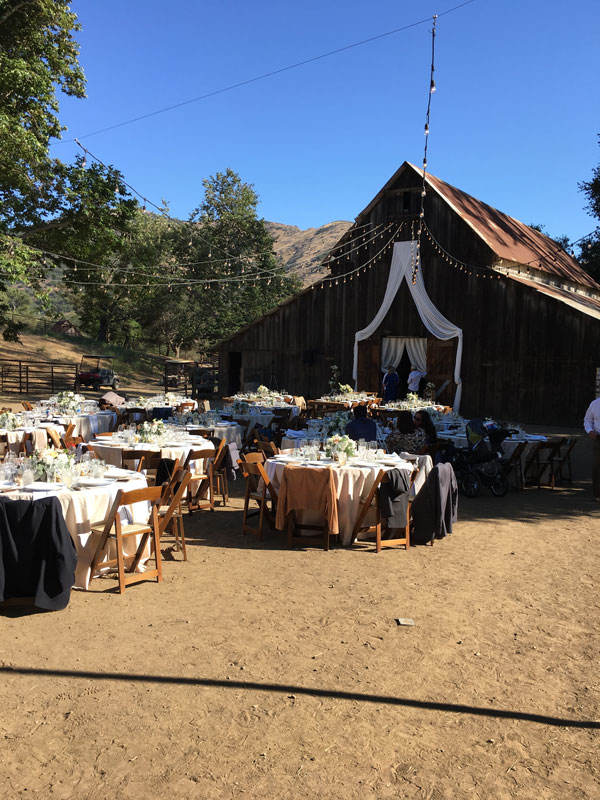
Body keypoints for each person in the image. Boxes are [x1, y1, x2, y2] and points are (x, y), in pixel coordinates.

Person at [583, 395, 600, 501]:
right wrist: (589, 431)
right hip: (598, 437)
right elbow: (587, 420)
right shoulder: (595, 404)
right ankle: (597, 494)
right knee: (597, 466)